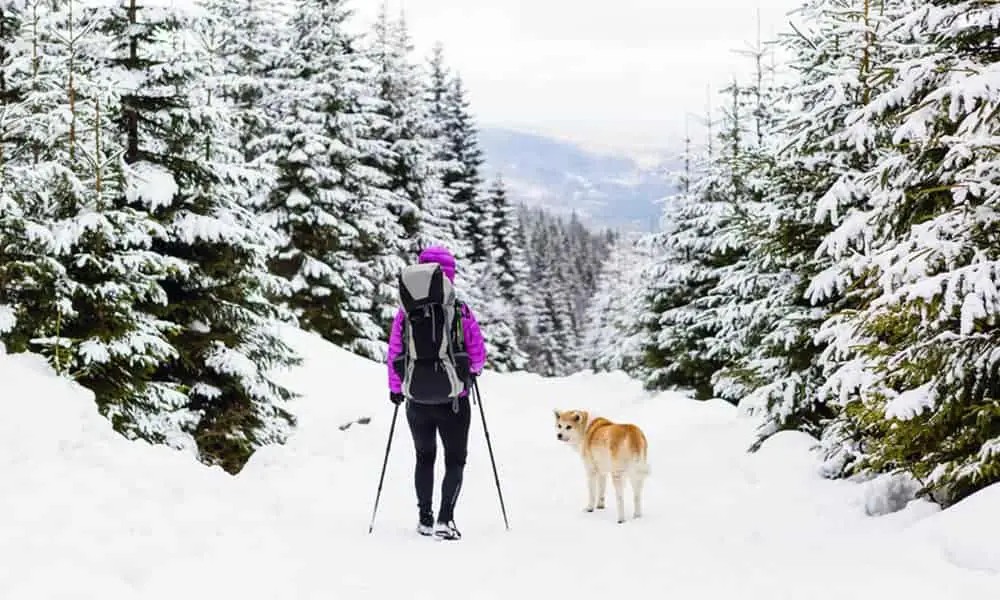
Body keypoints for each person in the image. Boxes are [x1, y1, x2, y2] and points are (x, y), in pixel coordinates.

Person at [386, 245, 487, 540]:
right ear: (447, 275)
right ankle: (445, 520)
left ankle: (424, 518)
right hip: (454, 398)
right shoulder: (458, 308)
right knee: (455, 459)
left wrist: (395, 388)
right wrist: (471, 372)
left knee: (424, 456)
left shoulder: (405, 312)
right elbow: (477, 353)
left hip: (416, 398)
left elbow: (395, 351)